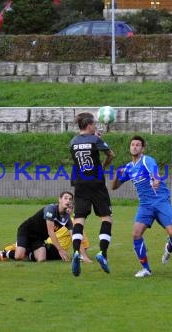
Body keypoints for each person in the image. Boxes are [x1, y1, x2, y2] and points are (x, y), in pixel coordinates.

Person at [111, 135, 172, 278]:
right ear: (130, 148)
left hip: (160, 202)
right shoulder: (129, 167)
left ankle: (169, 247)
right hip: (145, 205)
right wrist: (118, 174)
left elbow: (154, 171)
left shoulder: (147, 160)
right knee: (136, 234)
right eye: (132, 145)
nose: (135, 147)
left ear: (142, 148)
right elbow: (114, 187)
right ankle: (146, 269)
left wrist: (156, 179)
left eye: (138, 145)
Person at [69, 112, 115, 276]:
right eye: (94, 124)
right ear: (88, 125)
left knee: (79, 219)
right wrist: (104, 165)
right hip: (96, 183)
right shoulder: (96, 140)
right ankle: (102, 253)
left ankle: (76, 252)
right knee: (106, 217)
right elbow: (111, 154)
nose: (96, 126)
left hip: (80, 184)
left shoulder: (73, 142)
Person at [0, 191, 76, 262]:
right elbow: (50, 232)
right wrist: (60, 250)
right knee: (18, 256)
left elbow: (74, 235)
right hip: (26, 231)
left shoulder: (67, 219)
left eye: (70, 199)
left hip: (38, 238)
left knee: (41, 259)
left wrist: (79, 254)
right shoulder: (51, 209)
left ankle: (26, 250)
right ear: (59, 199)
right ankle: (4, 254)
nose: (68, 200)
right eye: (65, 198)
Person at [0, 225, 92, 263]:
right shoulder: (53, 220)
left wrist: (83, 255)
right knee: (27, 253)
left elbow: (82, 240)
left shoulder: (72, 223)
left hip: (54, 250)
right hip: (47, 246)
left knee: (28, 254)